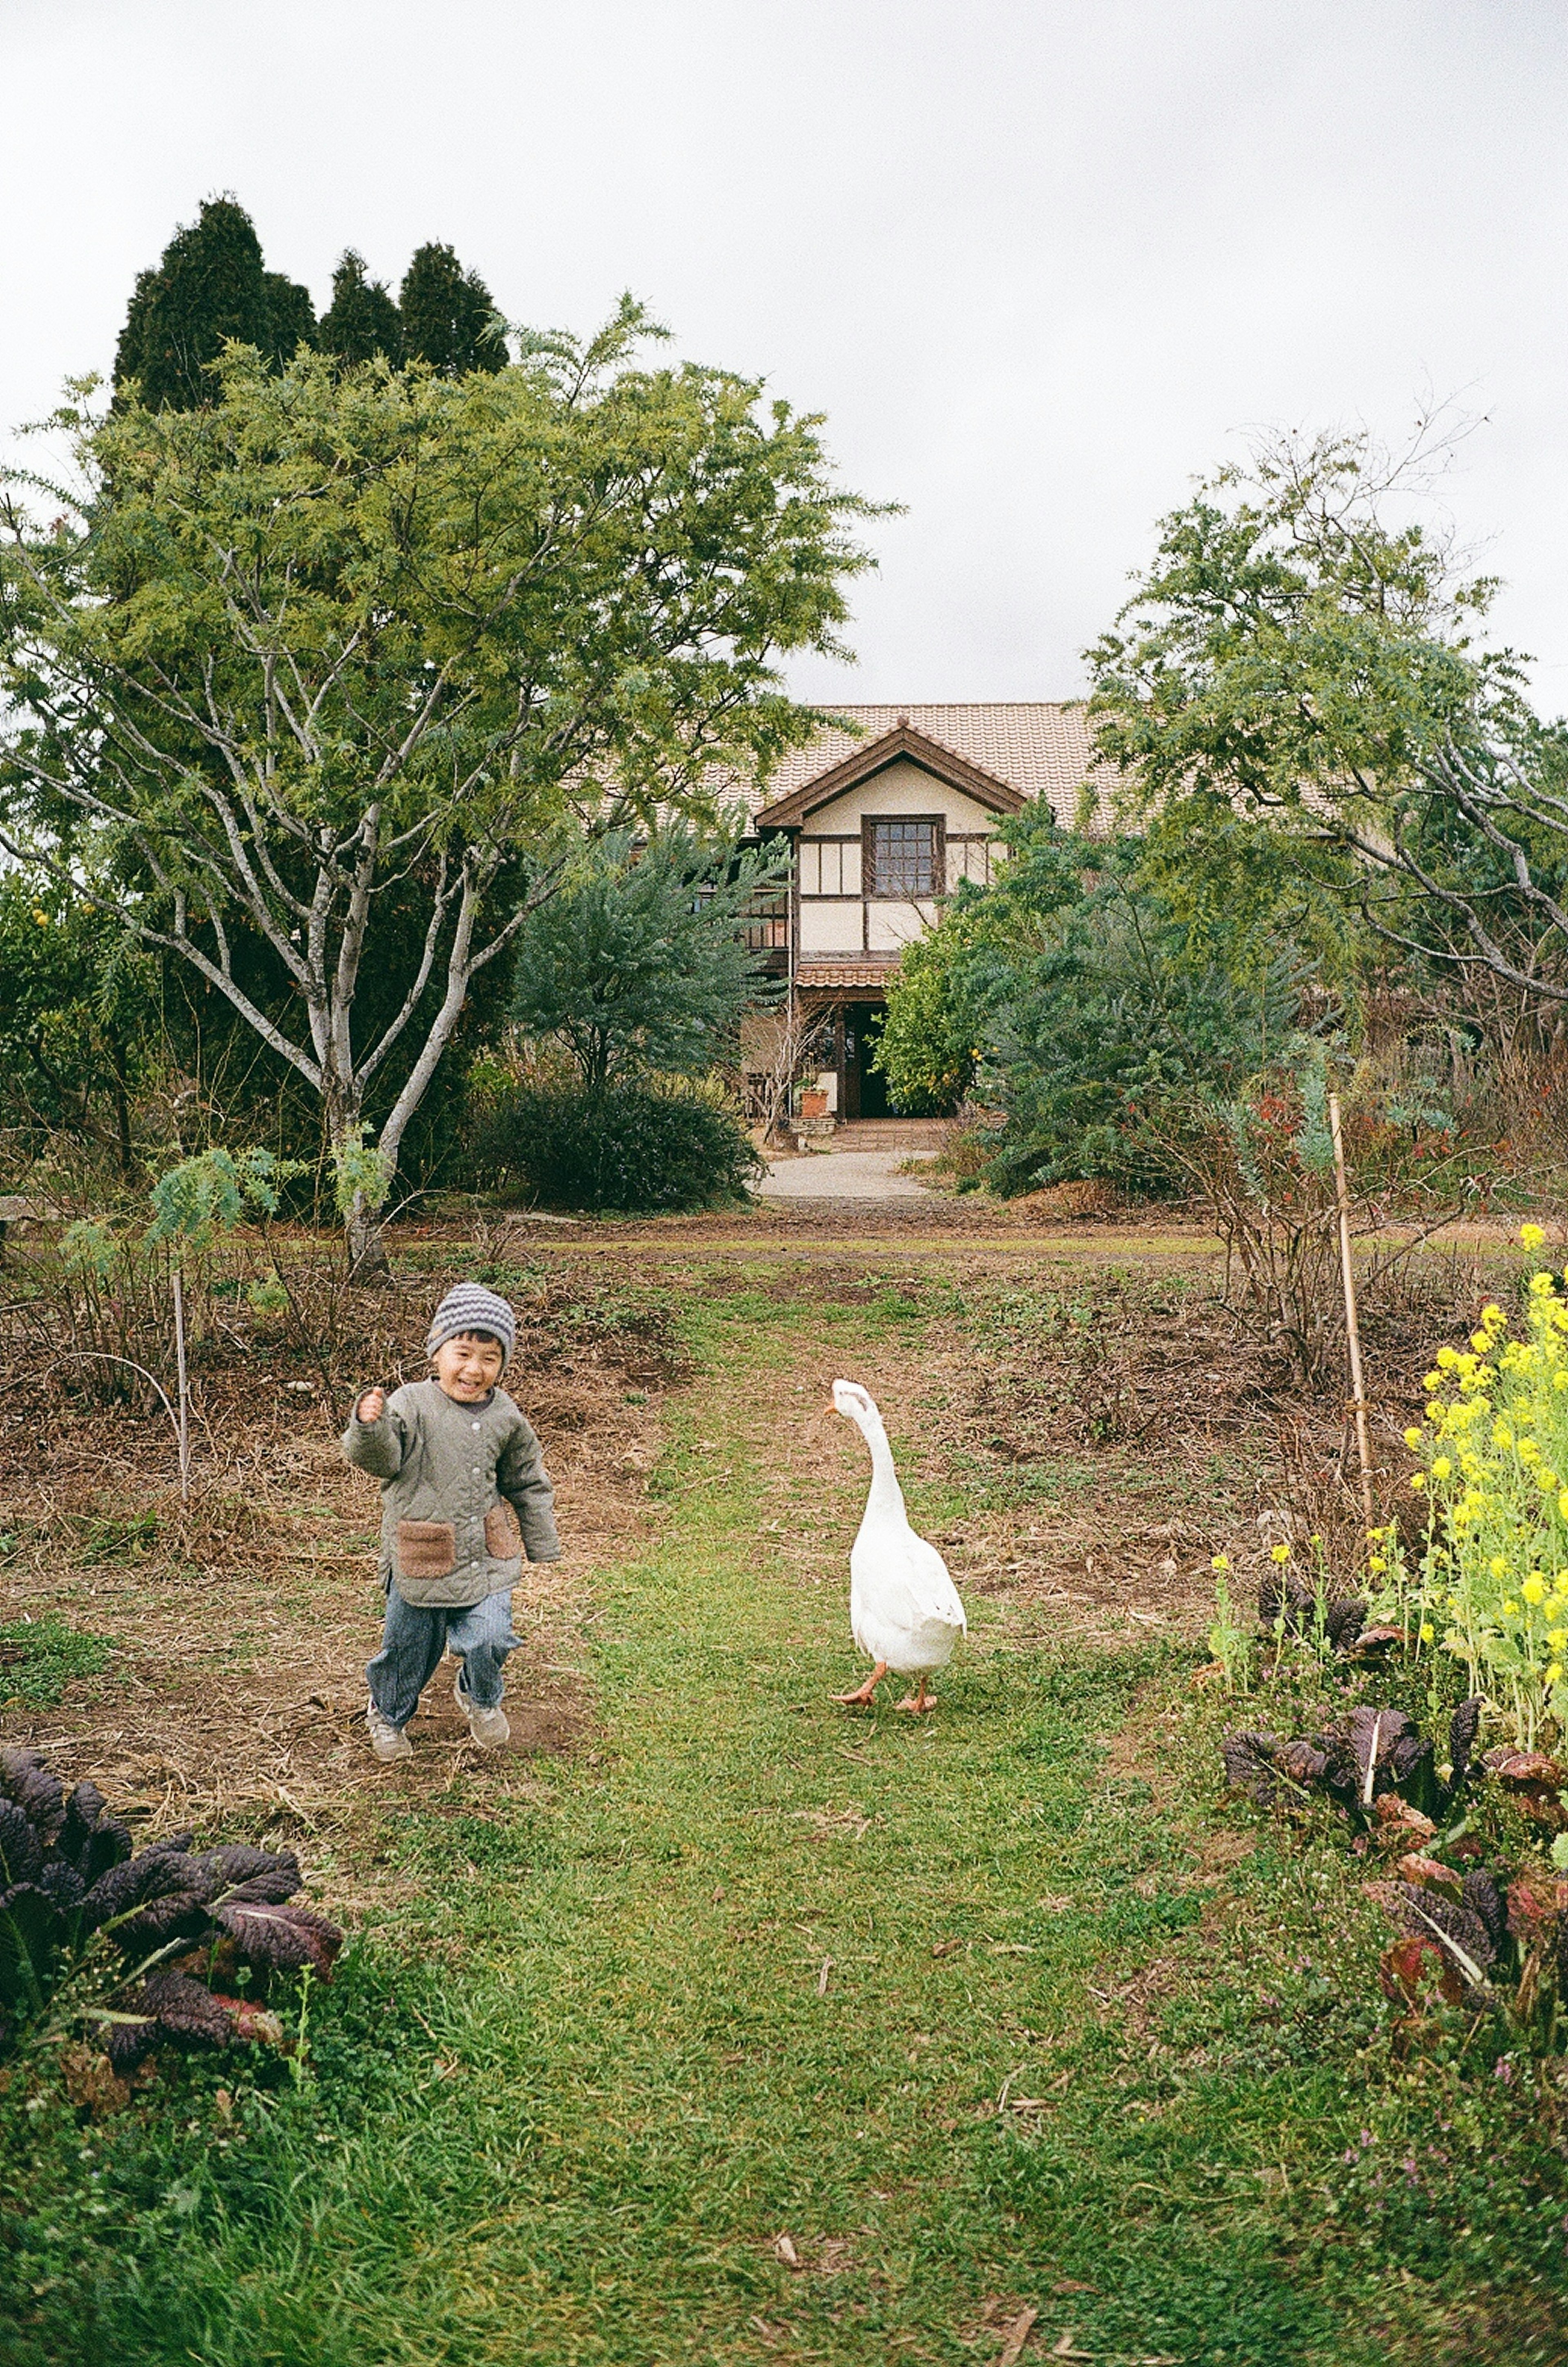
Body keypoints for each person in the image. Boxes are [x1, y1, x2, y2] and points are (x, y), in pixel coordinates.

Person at [344, 1282, 559, 1762]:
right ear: (437, 1353)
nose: (474, 1369)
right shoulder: (412, 1403)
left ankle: (479, 1697)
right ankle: (389, 1714)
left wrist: (541, 1541)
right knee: (408, 1651)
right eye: (462, 1353)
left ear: (503, 1364)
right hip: (421, 1553)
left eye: (489, 1358)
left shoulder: (506, 1413)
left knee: (491, 1636)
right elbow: (383, 1459)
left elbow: (527, 1480)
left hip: (486, 1553)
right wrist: (370, 1426)